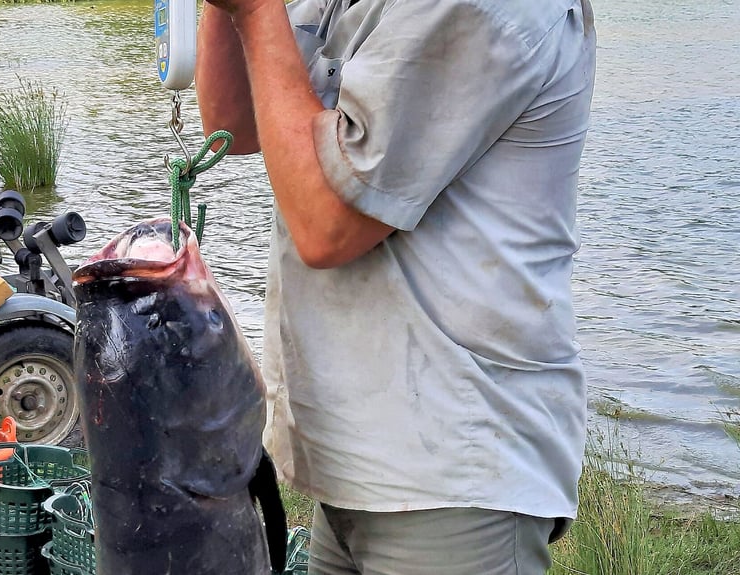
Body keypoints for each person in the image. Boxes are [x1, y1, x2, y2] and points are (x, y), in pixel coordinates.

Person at [195, 0, 596, 573]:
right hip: (355, 460)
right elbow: (232, 125)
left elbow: (326, 226)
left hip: (451, 472)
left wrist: (258, 12)